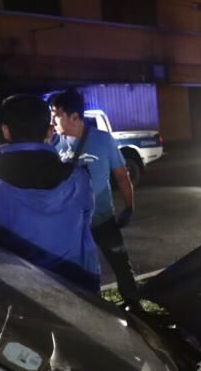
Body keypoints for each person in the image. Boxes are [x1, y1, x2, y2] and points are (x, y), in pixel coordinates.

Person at [0, 94, 101, 292]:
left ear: (6, 131)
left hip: (20, 285)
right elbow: (86, 216)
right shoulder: (77, 176)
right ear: (49, 132)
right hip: (77, 279)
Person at [48, 89, 140, 302]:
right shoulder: (54, 144)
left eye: (56, 114)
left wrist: (129, 207)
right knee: (77, 271)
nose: (53, 120)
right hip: (71, 224)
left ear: (74, 116)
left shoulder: (103, 140)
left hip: (102, 219)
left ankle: (134, 304)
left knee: (120, 262)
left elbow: (122, 177)